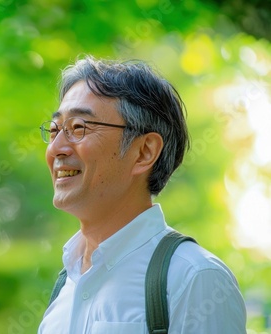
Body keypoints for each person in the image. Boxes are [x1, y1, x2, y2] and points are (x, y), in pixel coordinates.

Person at [37, 56, 246, 333]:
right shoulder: (66, 286)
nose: (57, 149)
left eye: (78, 128)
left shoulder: (193, 278)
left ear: (144, 152)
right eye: (54, 130)